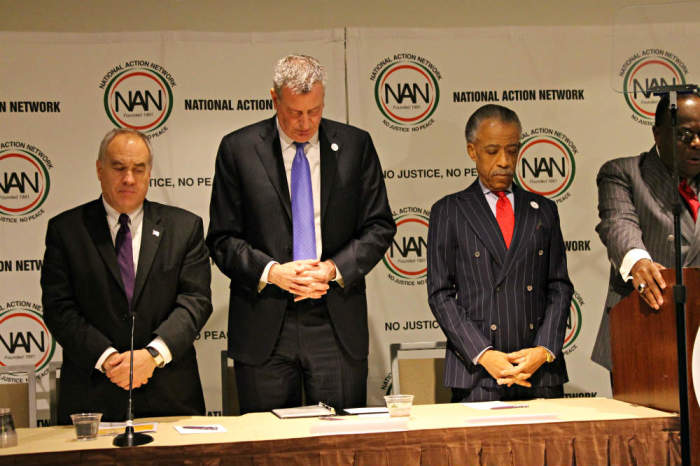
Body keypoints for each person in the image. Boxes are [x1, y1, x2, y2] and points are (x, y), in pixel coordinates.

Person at [206, 54, 395, 413]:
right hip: (264, 321)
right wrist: (272, 272)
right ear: (274, 99)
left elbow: (379, 225)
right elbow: (222, 239)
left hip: (334, 321)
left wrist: (333, 269)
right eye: (295, 112)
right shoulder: (239, 149)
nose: (306, 123)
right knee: (268, 444)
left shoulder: (356, 146)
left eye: (315, 111)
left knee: (340, 443)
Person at [41, 128, 212, 424]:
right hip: (92, 398)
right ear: (99, 169)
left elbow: (195, 301)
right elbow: (59, 308)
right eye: (119, 167)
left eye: (138, 169)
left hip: (170, 395)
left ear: (149, 174)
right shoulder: (66, 231)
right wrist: (107, 359)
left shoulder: (185, 228)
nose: (129, 178)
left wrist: (152, 355)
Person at [426, 104, 573, 402]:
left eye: (512, 150)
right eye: (492, 151)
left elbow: (559, 286)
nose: (504, 161)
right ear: (472, 150)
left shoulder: (543, 210)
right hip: (477, 373)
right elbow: (440, 293)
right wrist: (483, 354)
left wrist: (543, 350)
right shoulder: (450, 211)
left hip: (537, 372)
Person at [591, 92, 700, 371]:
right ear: (657, 134)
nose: (697, 143)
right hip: (642, 332)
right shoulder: (624, 173)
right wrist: (639, 261)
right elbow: (618, 224)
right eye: (686, 135)